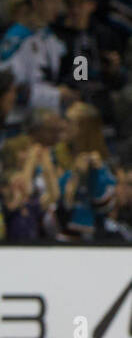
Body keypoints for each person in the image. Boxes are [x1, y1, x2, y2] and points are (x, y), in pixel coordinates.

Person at [0, 0, 73, 113]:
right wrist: (56, 94)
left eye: (59, 1)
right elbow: (9, 87)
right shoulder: (17, 39)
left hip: (48, 117)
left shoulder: (51, 36)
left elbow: (71, 68)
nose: (58, 7)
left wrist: (77, 83)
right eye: (52, 1)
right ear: (35, 2)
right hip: (22, 120)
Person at [57, 101, 116, 238]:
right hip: (60, 236)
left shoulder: (103, 166)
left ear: (85, 129)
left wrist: (96, 172)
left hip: (96, 241)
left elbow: (104, 207)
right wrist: (75, 176)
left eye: (69, 122)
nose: (63, 126)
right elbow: (56, 203)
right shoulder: (55, 157)